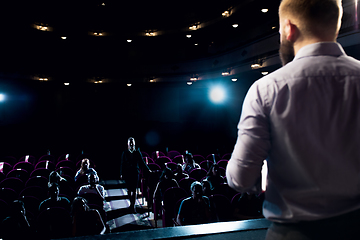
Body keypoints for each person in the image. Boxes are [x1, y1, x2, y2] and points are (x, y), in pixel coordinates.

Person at [226, 0, 360, 239]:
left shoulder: (265, 89)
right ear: (336, 24)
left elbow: (240, 178)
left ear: (288, 28)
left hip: (294, 234)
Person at [120, 137, 151, 212]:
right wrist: (121, 173)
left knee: (134, 190)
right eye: (130, 143)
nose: (131, 144)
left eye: (132, 143)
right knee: (129, 190)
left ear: (134, 144)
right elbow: (122, 164)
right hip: (127, 173)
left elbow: (142, 162)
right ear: (128, 144)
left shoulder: (137, 152)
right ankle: (131, 203)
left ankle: (133, 206)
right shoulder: (125, 152)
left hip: (135, 173)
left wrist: (148, 170)